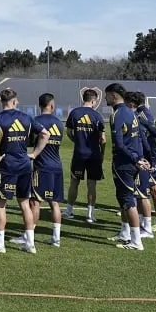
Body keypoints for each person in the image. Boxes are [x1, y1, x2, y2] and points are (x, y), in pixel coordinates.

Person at [0, 88, 49, 254]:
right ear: (14, 101)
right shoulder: (26, 117)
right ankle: (30, 244)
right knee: (25, 203)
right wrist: (34, 154)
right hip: (25, 165)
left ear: (1, 101)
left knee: (0, 204)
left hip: (7, 166)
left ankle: (0, 244)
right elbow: (45, 134)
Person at [13, 93, 64, 247]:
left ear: (39, 105)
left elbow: (29, 142)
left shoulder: (36, 121)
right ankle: (56, 238)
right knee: (54, 203)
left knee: (35, 202)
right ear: (52, 105)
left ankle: (29, 236)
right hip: (57, 166)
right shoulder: (59, 123)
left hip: (42, 167)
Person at [104, 83, 150, 250]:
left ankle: (136, 241)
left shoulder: (118, 115)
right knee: (122, 198)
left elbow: (119, 143)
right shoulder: (132, 113)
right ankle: (124, 233)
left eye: (107, 95)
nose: (105, 98)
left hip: (124, 163)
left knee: (128, 200)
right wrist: (140, 158)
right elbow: (138, 139)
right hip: (133, 161)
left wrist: (135, 159)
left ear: (113, 95)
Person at [63, 89, 107, 223]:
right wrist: (102, 153)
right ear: (93, 101)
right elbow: (103, 139)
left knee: (74, 182)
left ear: (84, 99)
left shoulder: (74, 113)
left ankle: (69, 211)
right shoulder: (97, 116)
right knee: (91, 184)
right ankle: (90, 214)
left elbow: (69, 132)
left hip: (79, 154)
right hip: (94, 154)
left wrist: (77, 141)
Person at [124, 92, 156, 238]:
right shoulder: (132, 117)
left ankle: (147, 228)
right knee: (138, 194)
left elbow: (151, 136)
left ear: (130, 104)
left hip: (141, 160)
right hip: (137, 159)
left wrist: (149, 160)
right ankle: (142, 225)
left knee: (143, 194)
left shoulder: (138, 118)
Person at [135, 91, 156, 231]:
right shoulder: (141, 113)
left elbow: (152, 134)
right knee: (142, 187)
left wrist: (150, 158)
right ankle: (141, 218)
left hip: (151, 156)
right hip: (147, 156)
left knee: (154, 188)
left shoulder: (143, 114)